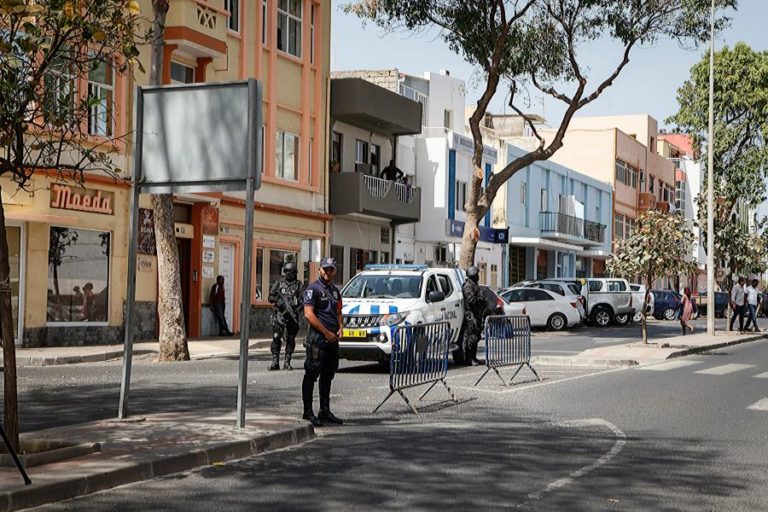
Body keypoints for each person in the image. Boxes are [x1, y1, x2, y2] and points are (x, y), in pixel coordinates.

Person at [302, 257, 344, 427]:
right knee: (312, 374)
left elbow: (339, 310)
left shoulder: (335, 291)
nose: (328, 272)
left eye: (331, 269)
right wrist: (326, 333)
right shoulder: (313, 289)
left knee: (328, 375)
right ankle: (307, 411)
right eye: (325, 269)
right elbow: (308, 314)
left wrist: (340, 327)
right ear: (320, 269)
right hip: (317, 339)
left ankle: (324, 410)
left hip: (332, 339)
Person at [268, 261, 304, 371]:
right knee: (276, 337)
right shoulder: (279, 283)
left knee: (290, 339)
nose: (289, 274)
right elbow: (270, 297)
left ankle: (287, 362)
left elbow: (304, 301)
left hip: (292, 316)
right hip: (280, 314)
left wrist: (296, 307)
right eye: (287, 272)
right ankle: (275, 361)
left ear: (295, 273)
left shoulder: (298, 285)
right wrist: (278, 301)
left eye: (292, 272)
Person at [461, 266, 491, 366]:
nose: (478, 276)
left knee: (476, 337)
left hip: (477, 314)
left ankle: (474, 357)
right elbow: (471, 300)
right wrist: (480, 299)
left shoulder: (475, 285)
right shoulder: (468, 286)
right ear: (473, 275)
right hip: (471, 315)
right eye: (477, 274)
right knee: (471, 337)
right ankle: (469, 358)